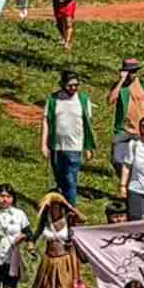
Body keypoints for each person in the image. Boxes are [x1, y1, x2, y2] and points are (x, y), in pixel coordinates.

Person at [41, 70, 96, 205]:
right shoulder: (53, 100)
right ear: (62, 84)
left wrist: (87, 147)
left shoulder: (83, 100)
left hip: (74, 147)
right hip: (56, 146)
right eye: (70, 85)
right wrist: (44, 144)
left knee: (70, 179)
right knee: (60, 179)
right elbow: (46, 121)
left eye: (76, 85)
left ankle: (72, 210)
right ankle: (62, 206)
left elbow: (87, 124)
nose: (73, 88)